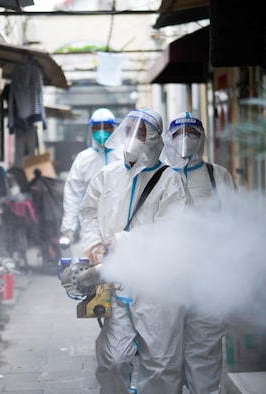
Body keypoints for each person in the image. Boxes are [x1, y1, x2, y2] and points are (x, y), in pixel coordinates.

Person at [78, 108, 188, 394]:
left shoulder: (169, 180)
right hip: (115, 280)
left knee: (161, 363)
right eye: (130, 130)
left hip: (157, 285)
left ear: (154, 138)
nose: (134, 138)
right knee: (114, 359)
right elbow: (88, 211)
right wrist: (92, 243)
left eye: (142, 132)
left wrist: (127, 240)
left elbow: (173, 229)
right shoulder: (108, 174)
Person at [161, 111, 236, 394]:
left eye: (192, 134)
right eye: (179, 134)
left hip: (209, 281)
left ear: (202, 138)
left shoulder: (218, 176)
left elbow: (234, 227)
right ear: (169, 139)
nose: (185, 140)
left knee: (204, 351)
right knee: (164, 353)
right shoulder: (159, 177)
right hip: (165, 282)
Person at [59, 108, 122, 248]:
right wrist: (68, 228)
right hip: (91, 225)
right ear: (90, 130)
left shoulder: (125, 156)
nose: (101, 132)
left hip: (121, 223)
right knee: (94, 264)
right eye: (96, 128)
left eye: (106, 127)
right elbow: (73, 195)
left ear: (115, 128)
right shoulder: (83, 159)